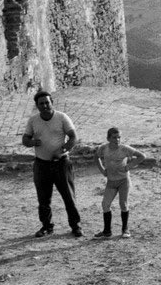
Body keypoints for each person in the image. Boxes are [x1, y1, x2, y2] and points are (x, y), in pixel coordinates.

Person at [22, 90, 83, 238]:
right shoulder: (33, 121)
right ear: (37, 106)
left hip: (61, 164)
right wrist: (31, 142)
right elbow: (25, 139)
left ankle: (76, 226)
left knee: (69, 196)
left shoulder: (62, 117)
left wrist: (63, 149)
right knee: (43, 199)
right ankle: (46, 226)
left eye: (47, 102)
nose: (44, 106)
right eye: (41, 103)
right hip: (41, 165)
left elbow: (73, 137)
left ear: (52, 102)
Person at [94, 127, 146, 238]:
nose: (117, 140)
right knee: (105, 204)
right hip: (111, 181)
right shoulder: (103, 148)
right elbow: (96, 157)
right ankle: (107, 231)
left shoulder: (124, 149)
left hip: (123, 181)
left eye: (119, 137)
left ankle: (125, 229)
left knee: (123, 204)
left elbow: (142, 156)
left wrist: (129, 166)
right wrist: (102, 170)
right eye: (114, 137)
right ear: (108, 138)